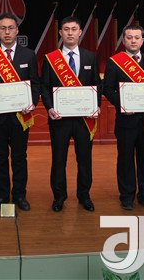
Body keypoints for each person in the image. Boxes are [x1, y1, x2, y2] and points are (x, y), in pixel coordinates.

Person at [0, 12, 40, 212]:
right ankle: (2, 196)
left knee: (19, 157)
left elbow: (35, 84)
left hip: (21, 116)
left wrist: (32, 102)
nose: (7, 32)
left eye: (11, 28)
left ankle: (20, 195)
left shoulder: (28, 55)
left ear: (17, 30)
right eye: (3, 28)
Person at [41, 16, 101, 212]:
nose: (69, 33)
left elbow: (96, 84)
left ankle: (84, 196)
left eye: (73, 29)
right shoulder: (51, 58)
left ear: (80, 32)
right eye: (66, 29)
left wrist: (96, 105)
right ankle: (59, 197)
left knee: (84, 159)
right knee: (59, 159)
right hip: (59, 118)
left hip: (84, 118)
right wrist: (49, 107)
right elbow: (45, 86)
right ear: (60, 33)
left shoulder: (90, 57)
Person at [103, 25, 144, 211]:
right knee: (126, 160)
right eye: (129, 37)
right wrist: (123, 104)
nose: (133, 41)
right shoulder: (114, 62)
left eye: (137, 37)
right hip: (126, 121)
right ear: (123, 40)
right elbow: (107, 89)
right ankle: (126, 197)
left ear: (142, 40)